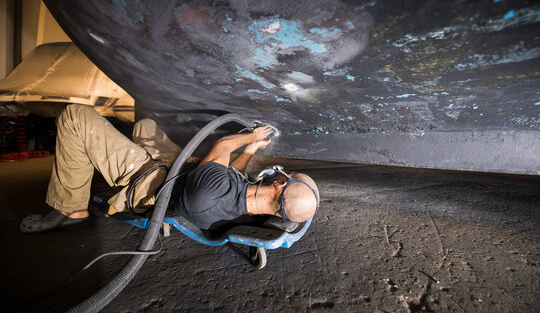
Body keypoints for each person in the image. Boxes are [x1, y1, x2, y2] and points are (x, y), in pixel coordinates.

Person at [20, 104, 319, 233]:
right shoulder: (253, 206)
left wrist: (251, 136)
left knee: (75, 117)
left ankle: (72, 209)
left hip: (151, 184)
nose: (281, 172)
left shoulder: (211, 194)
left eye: (285, 176)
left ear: (278, 186)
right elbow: (232, 173)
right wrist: (251, 151)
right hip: (183, 174)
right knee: (145, 125)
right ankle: (125, 149)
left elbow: (224, 146)